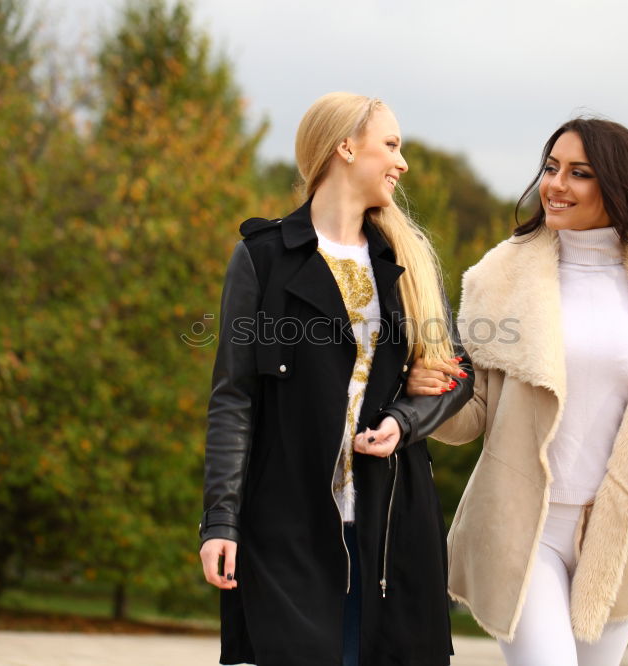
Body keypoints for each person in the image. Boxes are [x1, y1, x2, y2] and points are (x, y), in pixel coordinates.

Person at [406, 118, 628, 666]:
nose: (555, 184)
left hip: (619, 536)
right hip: (522, 529)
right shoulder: (501, 276)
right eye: (551, 168)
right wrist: (428, 388)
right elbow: (473, 415)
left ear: (619, 186)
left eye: (579, 173)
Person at [199, 92, 473, 666]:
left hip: (392, 525)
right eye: (391, 145)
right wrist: (220, 520)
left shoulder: (408, 261)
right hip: (287, 526)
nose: (402, 163)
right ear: (346, 147)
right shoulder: (262, 258)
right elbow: (234, 399)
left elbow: (457, 374)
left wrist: (403, 419)